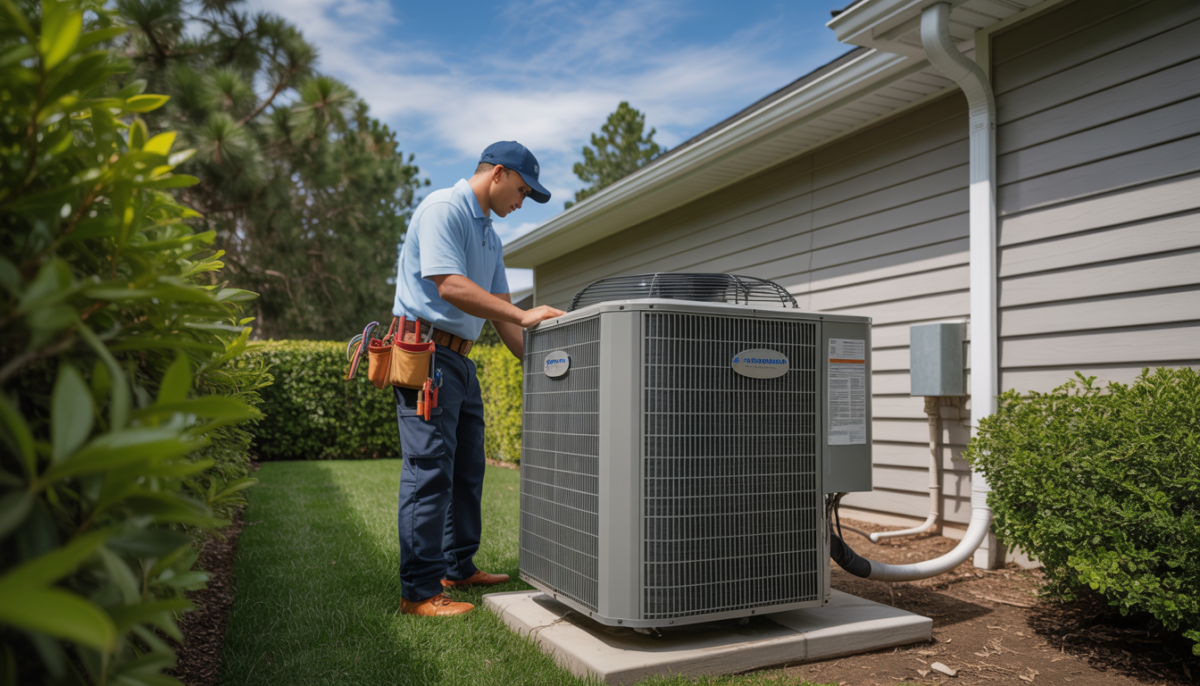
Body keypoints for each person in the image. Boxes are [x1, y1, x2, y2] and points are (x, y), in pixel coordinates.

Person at [391, 141, 565, 617]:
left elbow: (506, 318)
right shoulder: (443, 208)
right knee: (428, 471)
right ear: (499, 174)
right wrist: (523, 314)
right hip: (425, 353)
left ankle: (456, 566)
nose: (522, 201)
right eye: (523, 190)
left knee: (468, 470)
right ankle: (419, 592)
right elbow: (448, 283)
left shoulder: (489, 234)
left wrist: (551, 365)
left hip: (461, 363)